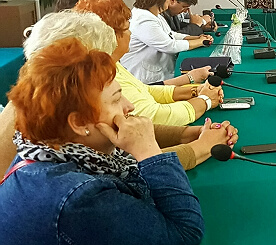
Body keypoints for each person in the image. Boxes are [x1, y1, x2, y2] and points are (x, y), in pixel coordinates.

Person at [0, 38, 205, 245]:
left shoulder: (45, 150)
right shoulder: (75, 199)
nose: (129, 106)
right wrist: (148, 151)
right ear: (79, 122)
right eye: (117, 99)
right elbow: (185, 229)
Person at [0, 9, 236, 173]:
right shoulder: (48, 113)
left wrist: (188, 134)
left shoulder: (49, 91)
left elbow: (127, 128)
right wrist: (200, 146)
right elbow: (131, 168)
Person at [75, 0, 224, 126]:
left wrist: (194, 91)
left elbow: (145, 90)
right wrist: (205, 100)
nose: (131, 33)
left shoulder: (112, 64)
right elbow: (155, 116)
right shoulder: (101, 74)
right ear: (110, 36)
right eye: (126, 29)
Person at [121, 0, 213, 84]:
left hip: (159, 71)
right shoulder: (143, 20)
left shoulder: (154, 15)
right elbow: (169, 46)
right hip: (144, 78)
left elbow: (171, 35)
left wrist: (196, 38)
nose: (169, 1)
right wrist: (200, 42)